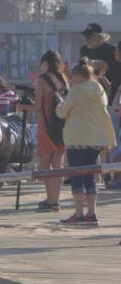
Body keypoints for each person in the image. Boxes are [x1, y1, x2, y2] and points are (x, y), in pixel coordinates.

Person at [55, 59, 116, 226]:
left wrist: (59, 103)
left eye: (72, 76)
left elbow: (61, 112)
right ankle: (91, 213)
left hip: (76, 138)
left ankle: (79, 214)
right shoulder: (100, 89)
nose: (70, 79)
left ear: (78, 76)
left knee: (77, 176)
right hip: (96, 139)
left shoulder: (76, 91)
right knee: (89, 176)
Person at [35, 50, 69, 212]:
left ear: (45, 64)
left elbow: (37, 107)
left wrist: (20, 106)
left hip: (46, 126)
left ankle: (50, 200)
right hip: (62, 126)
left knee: (45, 166)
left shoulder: (41, 80)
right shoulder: (64, 80)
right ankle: (55, 201)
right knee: (58, 164)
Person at [79, 23, 121, 104]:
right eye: (85, 36)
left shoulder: (111, 50)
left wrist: (104, 64)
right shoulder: (83, 50)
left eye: (89, 36)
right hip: (90, 89)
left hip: (109, 90)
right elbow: (82, 68)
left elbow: (118, 66)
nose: (86, 39)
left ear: (99, 36)